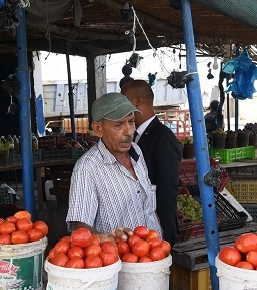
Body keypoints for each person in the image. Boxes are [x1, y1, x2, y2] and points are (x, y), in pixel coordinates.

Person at [65, 92, 162, 242]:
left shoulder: (136, 151)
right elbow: (80, 229)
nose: (129, 131)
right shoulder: (87, 168)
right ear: (98, 129)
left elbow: (148, 208)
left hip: (152, 254)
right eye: (119, 125)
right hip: (118, 260)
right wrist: (106, 238)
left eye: (131, 121)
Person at [121, 80, 182, 245]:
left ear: (138, 101)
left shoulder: (162, 138)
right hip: (139, 227)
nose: (120, 106)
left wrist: (163, 233)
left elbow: (167, 189)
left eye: (124, 100)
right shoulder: (134, 136)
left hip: (156, 232)